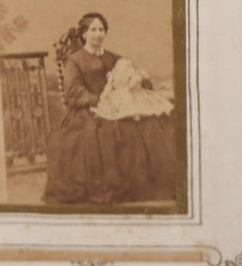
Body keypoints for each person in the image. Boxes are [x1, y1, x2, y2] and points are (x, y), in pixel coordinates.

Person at [43, 11, 176, 206]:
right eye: (93, 30)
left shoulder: (114, 58)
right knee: (105, 131)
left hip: (120, 105)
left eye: (101, 30)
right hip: (89, 108)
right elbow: (74, 91)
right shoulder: (75, 60)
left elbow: (131, 75)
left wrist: (139, 82)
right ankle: (113, 185)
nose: (98, 34)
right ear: (84, 34)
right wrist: (101, 101)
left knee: (152, 124)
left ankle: (145, 182)